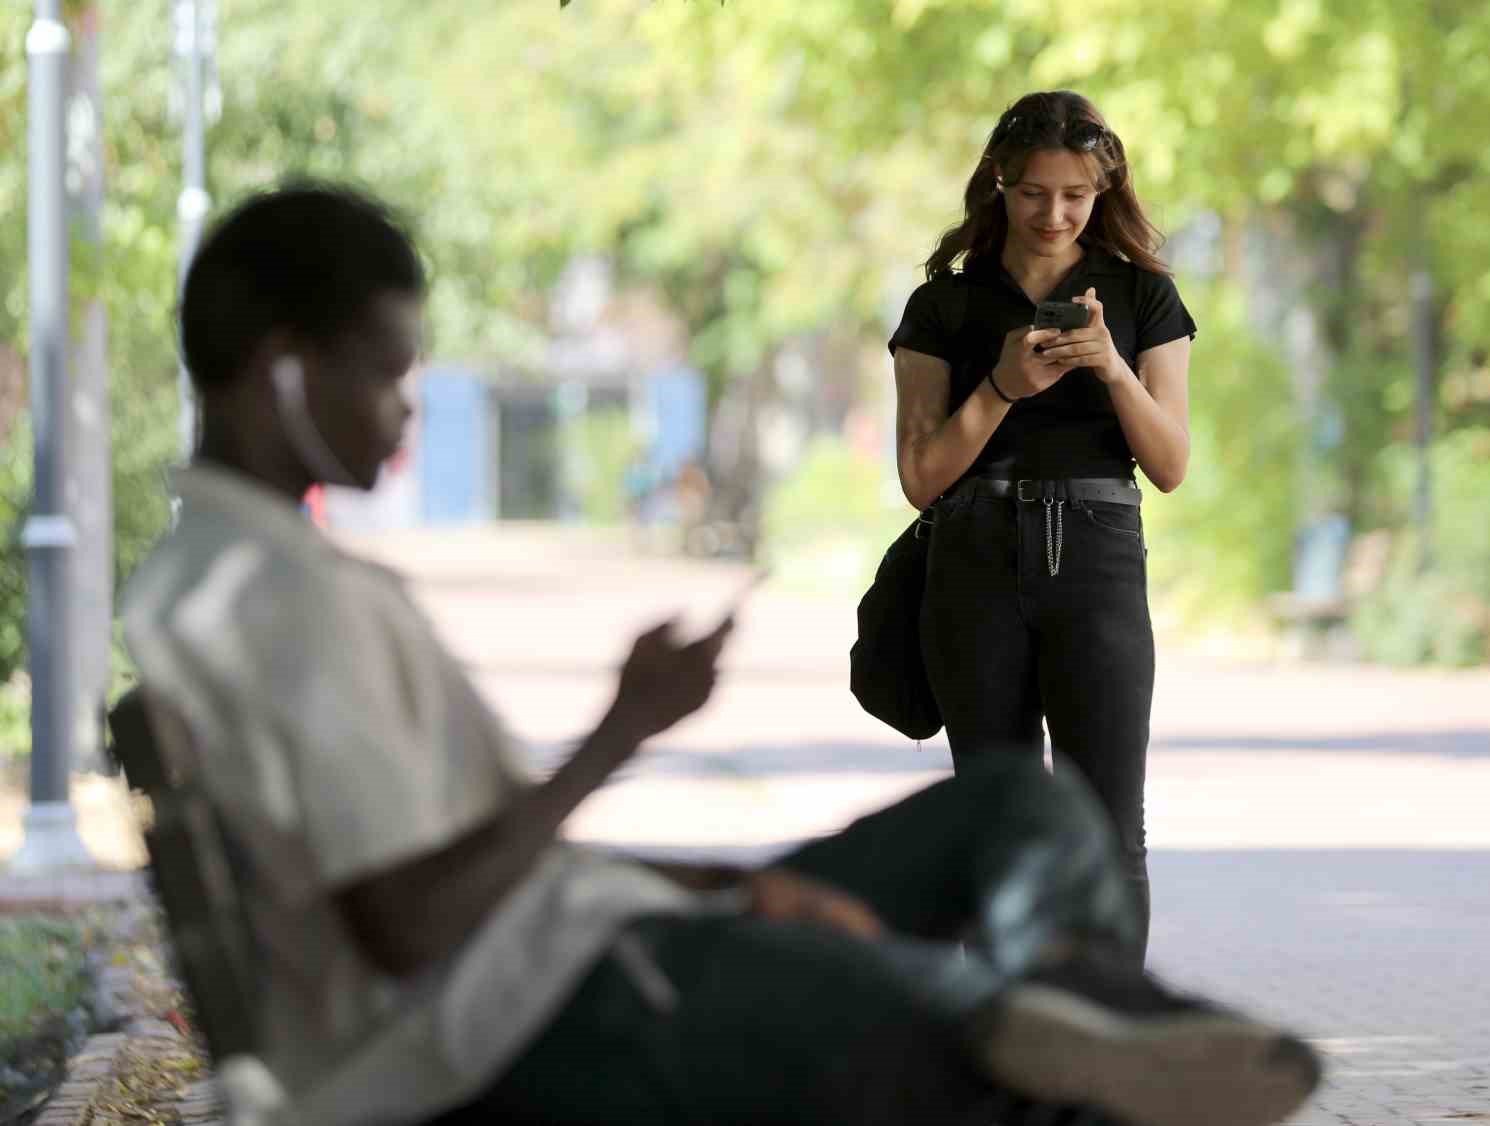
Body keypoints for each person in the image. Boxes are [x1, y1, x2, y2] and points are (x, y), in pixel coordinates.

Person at [121, 182, 1317, 1126]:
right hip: (528, 1025)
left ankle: (1069, 1008)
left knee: (1011, 811)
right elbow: (409, 926)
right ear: (283, 372)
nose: (404, 412)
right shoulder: (265, 598)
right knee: (989, 1054)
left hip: (580, 952)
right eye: (386, 375)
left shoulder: (251, 578)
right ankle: (1043, 1026)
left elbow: (462, 874)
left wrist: (727, 889)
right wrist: (619, 734)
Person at [890, 91, 1196, 963]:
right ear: (999, 183)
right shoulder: (942, 307)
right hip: (975, 564)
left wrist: (1111, 369)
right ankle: (1005, 1044)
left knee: (1107, 827)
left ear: (1103, 190)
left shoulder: (1143, 296)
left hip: (1098, 561)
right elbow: (921, 479)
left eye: (1076, 195)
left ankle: (1107, 1041)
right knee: (998, 820)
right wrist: (1001, 388)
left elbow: (1171, 464)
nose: (1055, 214)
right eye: (1033, 193)